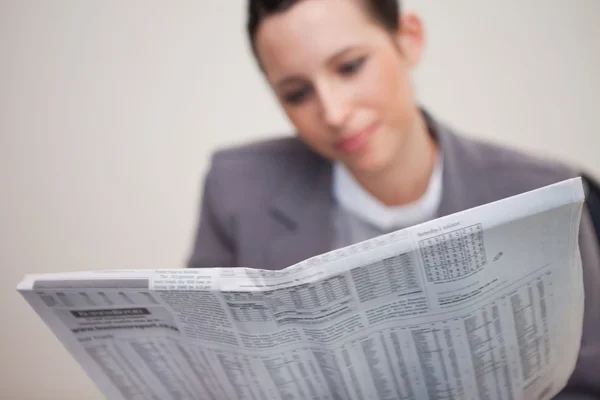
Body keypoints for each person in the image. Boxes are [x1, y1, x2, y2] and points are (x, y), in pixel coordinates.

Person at [187, 0, 600, 397]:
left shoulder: (542, 194)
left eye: (350, 67)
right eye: (297, 93)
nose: (333, 112)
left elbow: (585, 384)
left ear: (409, 39)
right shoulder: (235, 189)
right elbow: (201, 369)